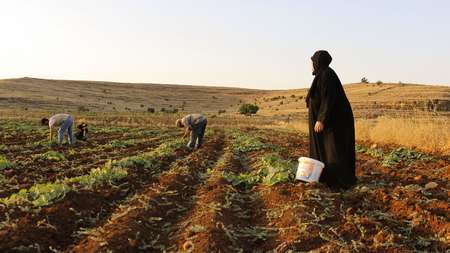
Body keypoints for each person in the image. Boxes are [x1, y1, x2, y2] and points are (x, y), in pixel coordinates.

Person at [305, 50, 356, 189]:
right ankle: (326, 177)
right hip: (329, 122)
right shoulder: (322, 75)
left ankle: (339, 181)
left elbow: (329, 98)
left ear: (318, 62)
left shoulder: (327, 75)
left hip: (334, 122)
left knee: (333, 150)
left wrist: (321, 119)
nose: (310, 65)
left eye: (312, 62)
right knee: (327, 149)